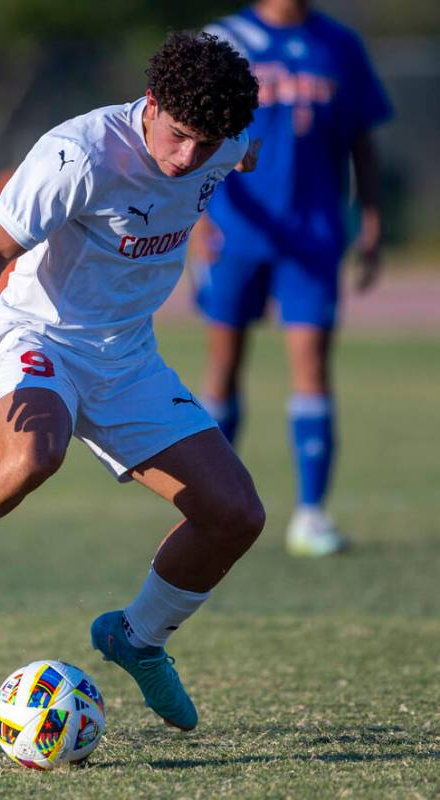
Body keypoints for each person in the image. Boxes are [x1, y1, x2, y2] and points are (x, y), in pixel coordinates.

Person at [0, 32, 264, 732]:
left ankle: (137, 638)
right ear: (150, 105)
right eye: (177, 135)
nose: (187, 157)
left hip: (127, 356)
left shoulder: (228, 139)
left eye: (205, 144)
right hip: (36, 335)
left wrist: (232, 157)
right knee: (34, 454)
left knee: (236, 515)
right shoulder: (79, 154)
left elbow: (245, 150)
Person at [194, 0, 392, 557]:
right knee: (225, 369)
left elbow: (362, 139)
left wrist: (371, 217)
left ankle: (310, 515)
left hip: (313, 235)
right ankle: (209, 509)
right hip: (235, 231)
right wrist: (195, 214)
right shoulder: (224, 38)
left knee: (311, 368)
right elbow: (192, 134)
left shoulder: (339, 44)